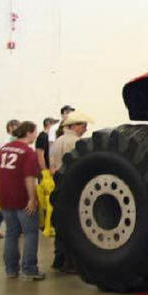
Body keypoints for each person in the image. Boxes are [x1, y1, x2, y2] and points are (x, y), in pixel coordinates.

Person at [0, 121, 44, 280]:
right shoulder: (28, 152)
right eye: (34, 132)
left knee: (11, 233)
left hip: (4, 197)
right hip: (22, 198)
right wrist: (32, 199)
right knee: (30, 233)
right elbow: (29, 177)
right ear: (28, 133)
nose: (36, 135)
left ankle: (11, 270)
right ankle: (29, 269)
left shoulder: (3, 149)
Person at [49, 110, 93, 272]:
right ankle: (70, 263)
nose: (85, 129)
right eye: (83, 126)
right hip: (72, 185)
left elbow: (52, 166)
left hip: (59, 184)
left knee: (61, 222)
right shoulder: (75, 142)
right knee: (73, 224)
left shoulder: (58, 141)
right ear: (74, 126)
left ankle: (59, 259)